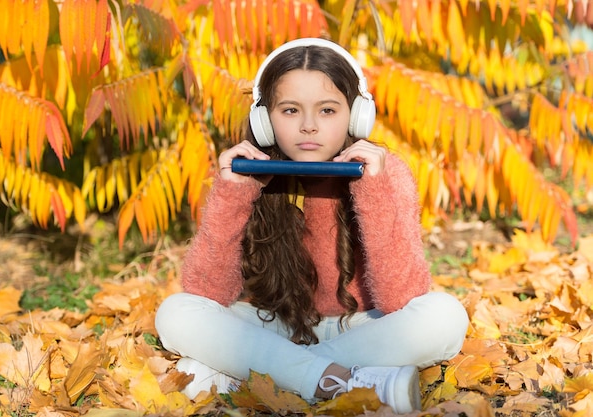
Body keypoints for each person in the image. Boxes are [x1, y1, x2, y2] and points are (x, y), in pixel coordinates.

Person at [155, 38, 469, 414]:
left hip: (360, 327)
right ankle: (342, 382)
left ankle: (255, 374)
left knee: (445, 317)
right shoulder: (249, 172)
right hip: (278, 324)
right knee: (175, 313)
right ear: (264, 120)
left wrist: (373, 190)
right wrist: (232, 195)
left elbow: (400, 299)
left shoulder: (384, 171)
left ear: (355, 116)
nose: (308, 127)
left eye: (327, 110)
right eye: (290, 111)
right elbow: (208, 293)